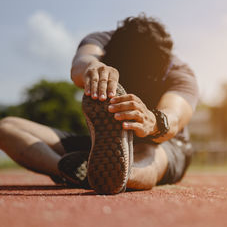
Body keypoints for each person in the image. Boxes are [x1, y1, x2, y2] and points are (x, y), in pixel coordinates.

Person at [0, 14, 199, 194]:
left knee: (149, 152)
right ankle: (78, 171)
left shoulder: (180, 74)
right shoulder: (102, 42)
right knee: (6, 127)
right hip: (103, 148)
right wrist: (93, 68)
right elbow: (82, 61)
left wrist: (152, 121)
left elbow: (173, 117)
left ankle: (121, 174)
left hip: (163, 144)